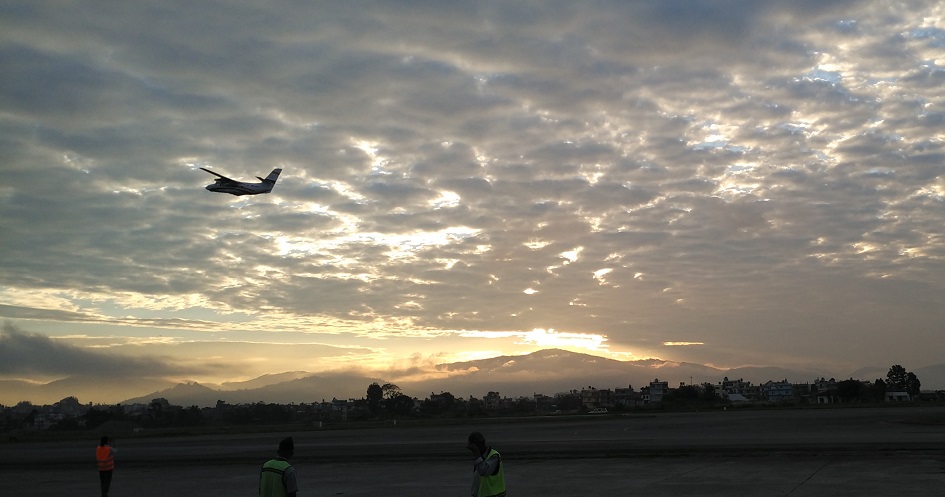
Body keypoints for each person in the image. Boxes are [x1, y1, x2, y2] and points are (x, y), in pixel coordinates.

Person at [467, 431, 506, 497]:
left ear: (479, 446)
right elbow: (477, 481)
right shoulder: (480, 459)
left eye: (472, 449)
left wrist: (477, 453)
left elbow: (483, 471)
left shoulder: (494, 456)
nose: (472, 451)